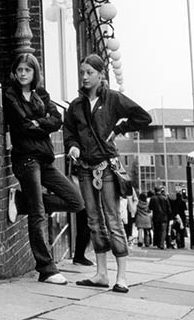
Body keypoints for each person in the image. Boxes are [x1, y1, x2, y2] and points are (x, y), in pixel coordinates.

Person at [64, 54, 151, 293]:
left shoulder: (113, 99)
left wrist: (120, 128)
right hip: (84, 168)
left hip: (107, 169)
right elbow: (69, 131)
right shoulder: (76, 105)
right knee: (93, 220)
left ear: (101, 75)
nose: (84, 77)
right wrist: (72, 145)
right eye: (82, 72)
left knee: (113, 220)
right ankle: (101, 274)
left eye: (89, 73)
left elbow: (143, 117)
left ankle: (122, 277)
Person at [3, 53, 84, 285]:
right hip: (26, 159)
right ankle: (46, 269)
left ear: (34, 72)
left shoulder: (41, 93)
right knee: (38, 213)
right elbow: (23, 125)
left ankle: (21, 202)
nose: (22, 74)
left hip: (45, 159)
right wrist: (40, 122)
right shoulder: (10, 95)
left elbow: (57, 119)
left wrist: (40, 123)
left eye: (27, 70)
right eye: (19, 70)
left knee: (75, 201)